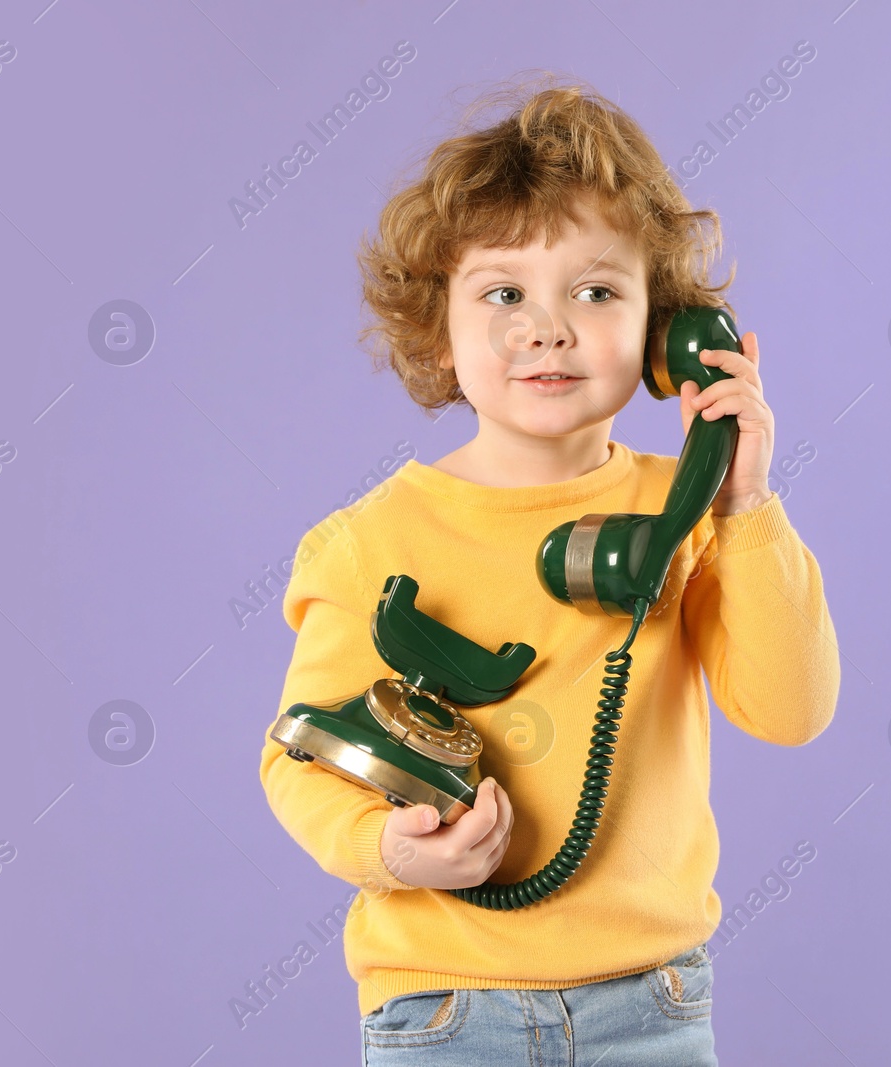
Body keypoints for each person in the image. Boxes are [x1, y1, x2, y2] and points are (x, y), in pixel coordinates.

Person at [257, 75, 840, 1065]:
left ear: (667, 338)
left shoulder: (686, 513)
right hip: (444, 1004)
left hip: (648, 1003)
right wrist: (388, 850)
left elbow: (793, 710)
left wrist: (741, 500)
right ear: (437, 325)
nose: (548, 325)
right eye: (501, 292)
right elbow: (300, 752)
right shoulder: (367, 542)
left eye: (596, 290)